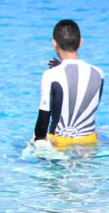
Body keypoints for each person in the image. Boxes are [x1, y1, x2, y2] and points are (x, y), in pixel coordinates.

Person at [33, 19, 103, 149]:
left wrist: (37, 142)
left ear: (54, 44)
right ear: (80, 42)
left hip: (59, 144)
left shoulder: (50, 75)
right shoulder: (99, 73)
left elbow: (43, 120)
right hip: (89, 143)